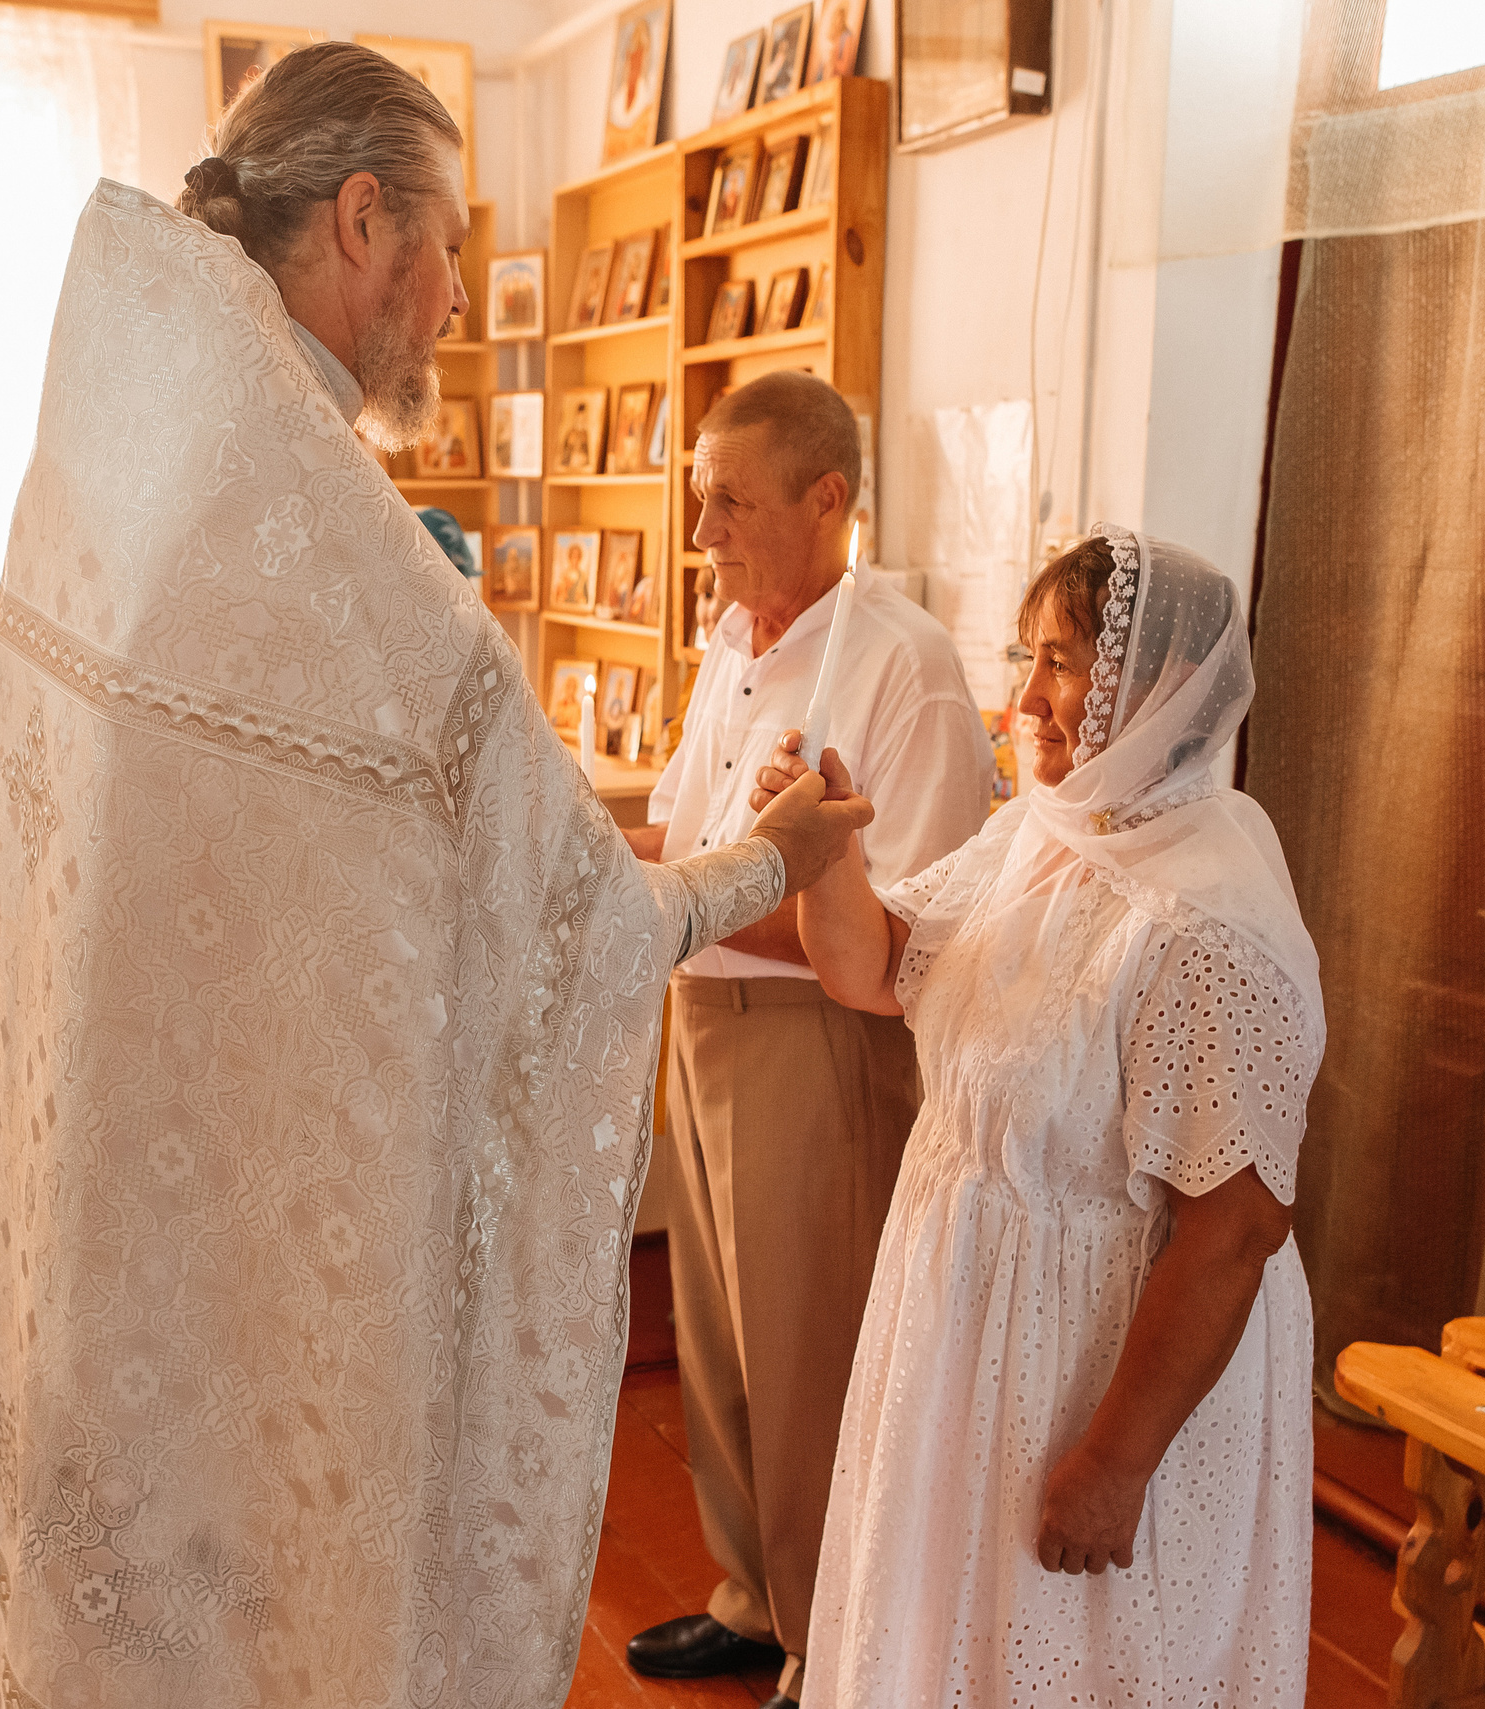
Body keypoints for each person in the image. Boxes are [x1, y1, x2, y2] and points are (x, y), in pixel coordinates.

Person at [0, 42, 870, 1709]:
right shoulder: (308, 505)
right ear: (362, 220)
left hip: (135, 1153)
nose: (456, 297)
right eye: (447, 247)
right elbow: (578, 912)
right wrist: (773, 853)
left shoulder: (162, 441)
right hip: (255, 1189)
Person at [752, 526, 1323, 1704]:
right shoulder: (1037, 836)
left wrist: (1113, 1461)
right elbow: (874, 968)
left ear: (1162, 683)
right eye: (1029, 658)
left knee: (1071, 1656)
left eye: (1060, 663)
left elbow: (1234, 1228)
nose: (1028, 700)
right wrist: (825, 853)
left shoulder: (1202, 925)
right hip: (973, 1337)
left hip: (1093, 1372)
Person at [622, 370, 991, 1708]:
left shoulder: (906, 666)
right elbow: (688, 833)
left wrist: (676, 897)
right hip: (704, 1010)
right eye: (698, 497)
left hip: (815, 1034)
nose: (701, 531)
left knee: (813, 1347)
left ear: (827, 499)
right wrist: (568, 844)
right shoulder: (733, 639)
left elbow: (909, 925)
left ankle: (833, 1644)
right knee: (721, 1339)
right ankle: (758, 1595)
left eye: (730, 501)